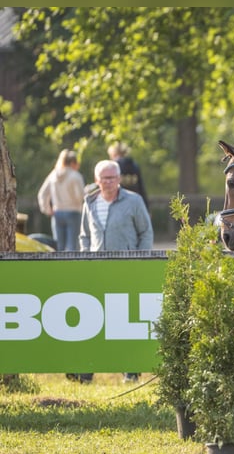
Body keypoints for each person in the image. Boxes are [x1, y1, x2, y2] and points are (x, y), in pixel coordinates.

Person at [76, 159, 154, 384]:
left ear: (119, 179)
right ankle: (87, 372)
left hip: (126, 270)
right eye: (104, 178)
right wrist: (86, 258)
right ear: (96, 180)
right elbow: (84, 235)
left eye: (112, 178)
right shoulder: (89, 202)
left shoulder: (133, 201)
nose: (108, 182)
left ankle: (130, 371)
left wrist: (139, 261)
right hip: (97, 271)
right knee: (93, 322)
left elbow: (146, 234)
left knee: (125, 322)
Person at [36, 149, 85, 251]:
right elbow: (80, 196)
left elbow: (42, 194)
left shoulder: (53, 175)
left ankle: (59, 266)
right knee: (72, 246)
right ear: (72, 163)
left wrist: (47, 209)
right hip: (73, 212)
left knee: (59, 247)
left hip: (57, 212)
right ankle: (71, 267)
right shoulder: (75, 176)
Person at [107, 141, 149, 208]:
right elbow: (141, 188)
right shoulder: (134, 166)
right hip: (135, 204)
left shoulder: (113, 167)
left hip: (118, 205)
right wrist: (146, 207)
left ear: (113, 153)